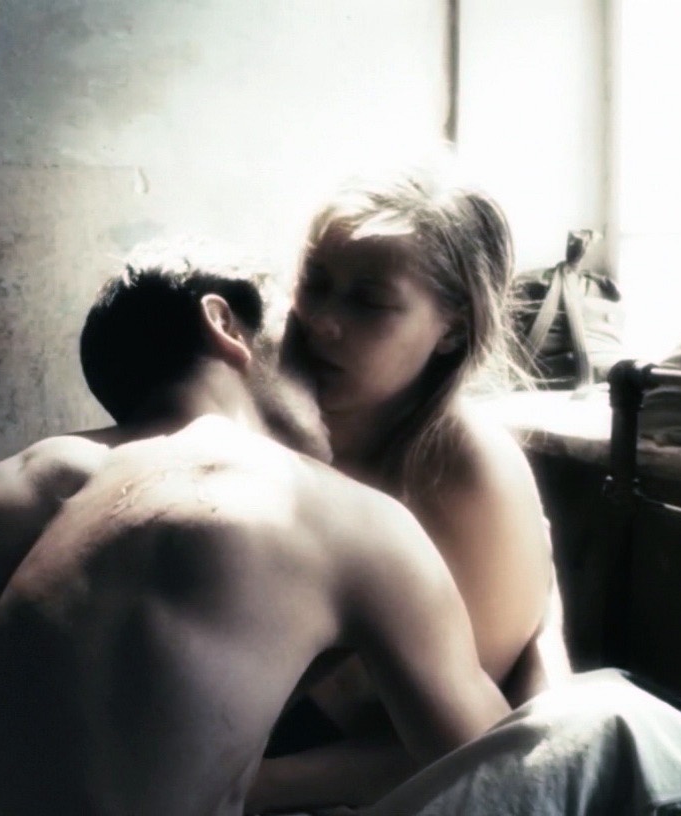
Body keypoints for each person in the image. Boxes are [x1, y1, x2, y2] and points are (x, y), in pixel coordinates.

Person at [0, 249, 512, 816]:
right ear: (226, 325)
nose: (325, 358)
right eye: (301, 333)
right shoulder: (336, 515)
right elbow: (508, 777)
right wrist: (543, 641)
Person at [252, 166, 573, 809]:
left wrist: (232, 787)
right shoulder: (271, 410)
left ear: (452, 328)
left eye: (369, 302)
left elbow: (477, 745)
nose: (322, 322)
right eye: (316, 281)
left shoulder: (466, 471)